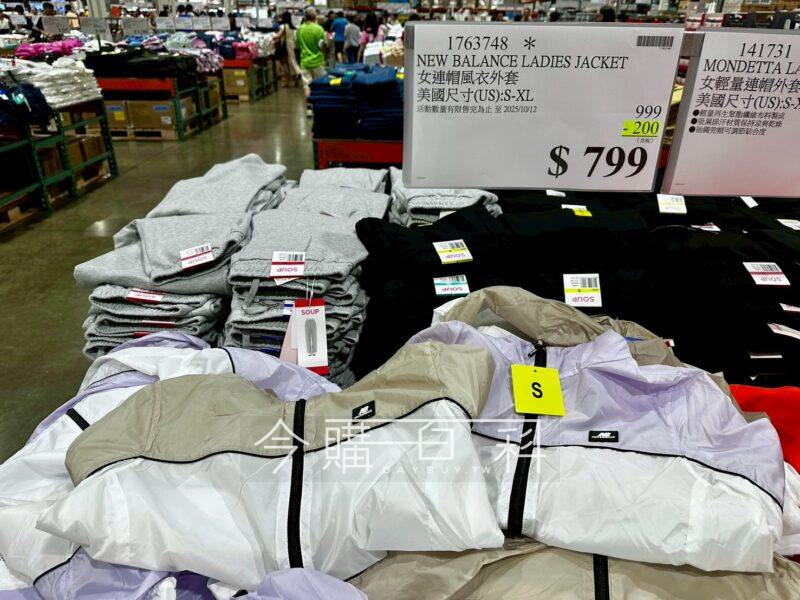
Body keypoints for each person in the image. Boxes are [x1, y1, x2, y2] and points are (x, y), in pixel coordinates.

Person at [296, 6, 327, 112]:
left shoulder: (300, 29)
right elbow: (323, 46)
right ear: (314, 16)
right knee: (320, 84)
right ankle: (319, 107)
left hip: (305, 62)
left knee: (307, 86)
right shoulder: (319, 29)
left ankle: (309, 108)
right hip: (318, 61)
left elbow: (298, 46)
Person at [275, 11, 300, 87]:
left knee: (284, 63)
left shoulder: (283, 26)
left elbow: (278, 36)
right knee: (292, 61)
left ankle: (289, 77)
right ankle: (296, 74)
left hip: (285, 46)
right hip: (291, 45)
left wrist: (272, 36)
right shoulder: (292, 27)